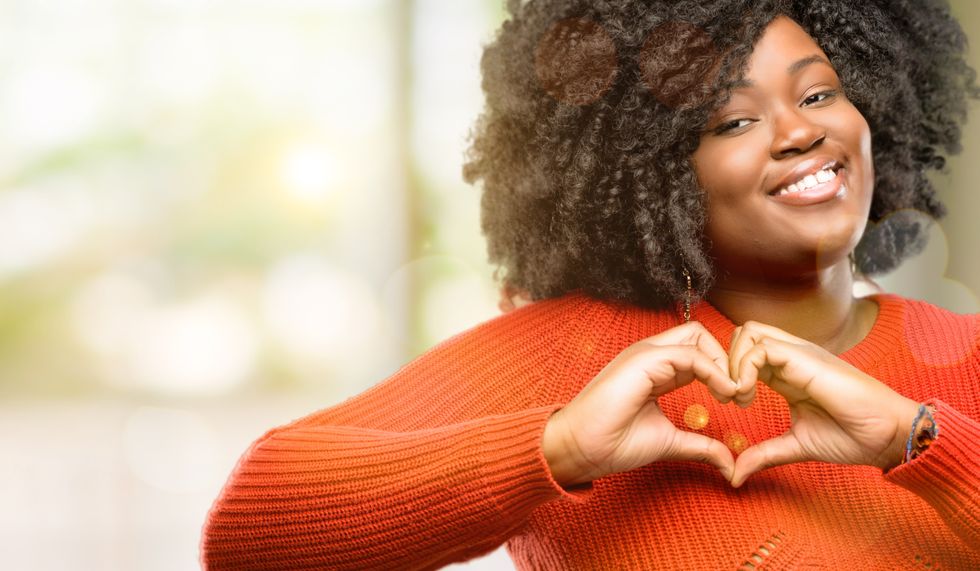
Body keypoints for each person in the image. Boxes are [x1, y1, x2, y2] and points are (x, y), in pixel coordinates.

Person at [200, 1, 980, 569]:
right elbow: (246, 534)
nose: (802, 131)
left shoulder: (964, 359)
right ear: (650, 175)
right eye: (733, 122)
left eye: (818, 94)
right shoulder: (572, 355)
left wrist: (912, 437)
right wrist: (559, 447)